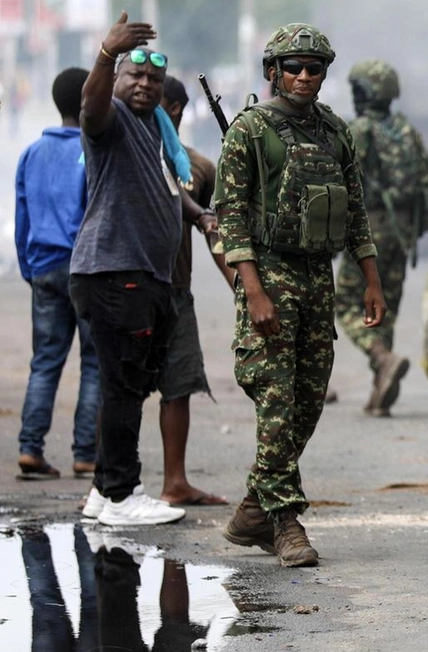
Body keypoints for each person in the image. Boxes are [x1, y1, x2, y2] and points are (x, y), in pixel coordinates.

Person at [215, 23, 386, 567]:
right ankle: (285, 521)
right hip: (269, 274)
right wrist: (254, 291)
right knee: (276, 400)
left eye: (315, 68)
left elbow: (355, 209)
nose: (305, 77)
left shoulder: (335, 131)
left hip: (318, 279)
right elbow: (231, 217)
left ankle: (251, 511)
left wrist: (371, 279)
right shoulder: (250, 131)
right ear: (273, 72)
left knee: (308, 403)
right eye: (294, 67)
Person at [72, 12, 216, 526]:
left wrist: (200, 217)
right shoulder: (108, 118)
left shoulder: (154, 130)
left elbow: (169, 191)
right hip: (117, 271)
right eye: (136, 76)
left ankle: (99, 492)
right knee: (125, 386)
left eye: (154, 79)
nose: (146, 85)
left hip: (140, 276)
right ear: (119, 80)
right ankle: (120, 494)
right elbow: (88, 108)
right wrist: (107, 53)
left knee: (126, 382)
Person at [336, 58, 428, 416]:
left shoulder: (359, 131)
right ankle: (380, 389)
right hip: (404, 235)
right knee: (383, 309)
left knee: (346, 304)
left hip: (368, 232)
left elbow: (345, 184)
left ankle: (381, 359)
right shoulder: (407, 131)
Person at [15, 67, 98, 482]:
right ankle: (85, 453)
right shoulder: (90, 148)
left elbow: (22, 218)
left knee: (45, 363)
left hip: (43, 267)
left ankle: (31, 448)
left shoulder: (32, 152)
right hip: (83, 268)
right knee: (94, 363)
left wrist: (30, 269)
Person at [153, 74, 232, 507]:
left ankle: (175, 482)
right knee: (117, 386)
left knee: (179, 384)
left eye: (155, 96)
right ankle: (105, 485)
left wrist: (244, 289)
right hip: (129, 289)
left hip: (175, 291)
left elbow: (215, 234)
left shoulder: (199, 168)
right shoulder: (127, 154)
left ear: (177, 109)